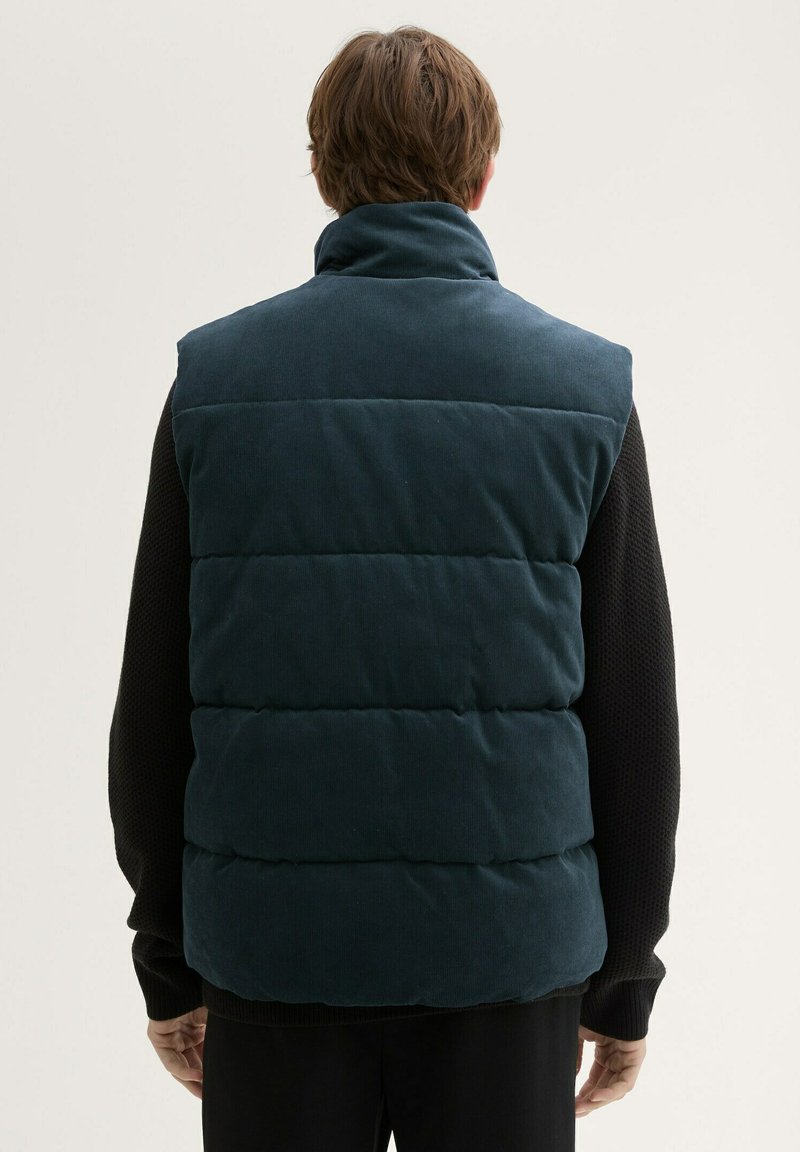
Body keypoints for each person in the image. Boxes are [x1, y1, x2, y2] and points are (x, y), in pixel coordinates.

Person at [108, 24, 680, 1152]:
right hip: (508, 964)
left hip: (274, 957)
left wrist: (166, 962)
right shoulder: (584, 390)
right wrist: (623, 982)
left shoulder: (215, 385)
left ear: (323, 170)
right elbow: (633, 721)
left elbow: (154, 706)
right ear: (482, 174)